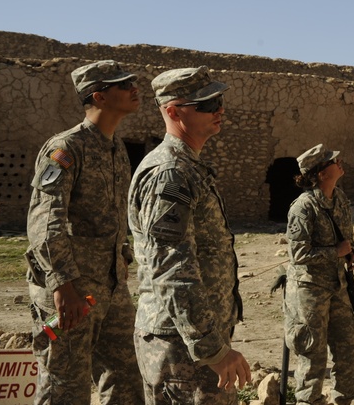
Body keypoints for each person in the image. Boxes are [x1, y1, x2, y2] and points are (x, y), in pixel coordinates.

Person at [128, 66, 251, 404]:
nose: (219, 109)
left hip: (191, 343)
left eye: (220, 100)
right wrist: (212, 350)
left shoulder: (189, 168)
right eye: (207, 104)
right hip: (182, 349)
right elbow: (171, 268)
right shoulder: (171, 174)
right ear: (173, 112)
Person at [25, 59, 144, 404]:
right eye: (123, 85)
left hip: (110, 286)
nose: (134, 88)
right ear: (99, 96)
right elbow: (45, 219)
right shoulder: (65, 148)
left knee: (125, 379)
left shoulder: (116, 148)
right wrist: (62, 283)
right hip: (70, 290)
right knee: (65, 384)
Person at [284, 144, 354, 405]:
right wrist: (335, 252)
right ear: (320, 173)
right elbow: (298, 255)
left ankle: (344, 400)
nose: (339, 161)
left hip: (337, 285)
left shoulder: (338, 198)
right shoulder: (303, 208)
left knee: (347, 348)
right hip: (309, 291)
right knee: (312, 354)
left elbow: (345, 236)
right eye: (332, 161)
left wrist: (350, 251)